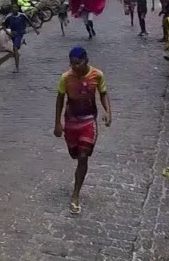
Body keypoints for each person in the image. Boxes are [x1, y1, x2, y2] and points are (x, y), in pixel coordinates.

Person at [54, 46, 111, 215]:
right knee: (74, 153)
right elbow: (59, 99)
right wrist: (57, 123)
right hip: (71, 121)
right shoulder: (65, 78)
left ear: (86, 60)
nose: (74, 67)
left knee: (83, 156)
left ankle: (75, 194)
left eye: (77, 64)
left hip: (88, 121)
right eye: (72, 64)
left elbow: (103, 93)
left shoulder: (97, 75)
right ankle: (76, 162)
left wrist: (108, 112)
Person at [1, 3, 37, 73]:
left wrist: (35, 30)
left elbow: (29, 21)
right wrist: (8, 33)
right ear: (11, 9)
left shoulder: (22, 15)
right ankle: (22, 42)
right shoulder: (9, 16)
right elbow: (3, 25)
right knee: (16, 49)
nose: (15, 9)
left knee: (15, 48)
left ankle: (17, 68)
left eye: (16, 8)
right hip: (13, 34)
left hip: (20, 33)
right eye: (13, 8)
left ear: (18, 9)